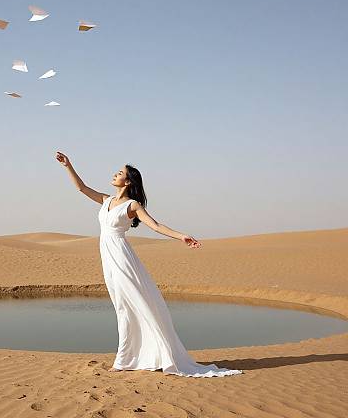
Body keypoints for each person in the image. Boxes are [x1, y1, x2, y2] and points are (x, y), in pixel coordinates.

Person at [56, 151, 243, 378]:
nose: (114, 174)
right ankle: (137, 356)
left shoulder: (132, 206)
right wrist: (68, 166)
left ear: (128, 181)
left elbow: (155, 225)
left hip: (122, 258)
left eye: (120, 173)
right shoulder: (106, 200)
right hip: (108, 258)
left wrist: (181, 236)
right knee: (121, 306)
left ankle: (125, 359)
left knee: (129, 306)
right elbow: (82, 189)